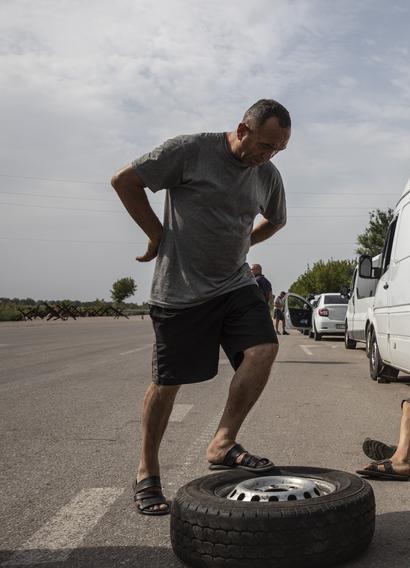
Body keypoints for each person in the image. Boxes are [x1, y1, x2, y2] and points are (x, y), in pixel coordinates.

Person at [111, 99, 292, 515]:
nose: (268, 156)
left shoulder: (267, 175)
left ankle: (222, 441)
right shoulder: (190, 151)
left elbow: (277, 219)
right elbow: (124, 181)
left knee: (264, 350)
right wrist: (158, 235)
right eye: (265, 145)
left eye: (278, 149)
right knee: (167, 384)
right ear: (242, 130)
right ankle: (147, 471)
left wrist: (244, 242)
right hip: (181, 291)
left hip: (234, 284)